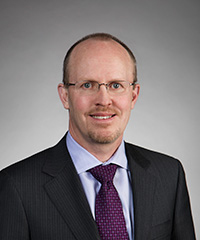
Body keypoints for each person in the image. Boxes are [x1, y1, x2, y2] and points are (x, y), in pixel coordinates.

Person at [0, 33, 196, 240]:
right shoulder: (17, 187)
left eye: (115, 85)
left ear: (134, 95)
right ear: (65, 96)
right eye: (87, 85)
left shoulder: (169, 175)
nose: (104, 100)